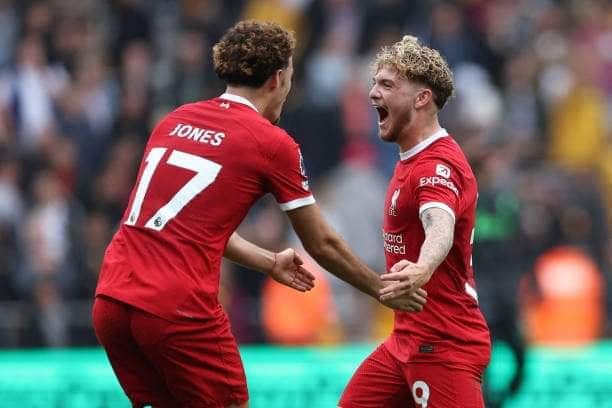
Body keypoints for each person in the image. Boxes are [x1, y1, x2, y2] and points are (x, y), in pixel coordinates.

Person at [92, 20, 427, 408]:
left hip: (113, 300)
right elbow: (321, 242)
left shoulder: (174, 120)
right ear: (278, 78)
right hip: (175, 307)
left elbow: (186, 224)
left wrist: (269, 262)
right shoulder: (269, 142)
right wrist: (380, 289)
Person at [339, 35, 491, 407]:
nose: (372, 93)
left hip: (444, 344)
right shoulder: (411, 156)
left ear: (422, 98)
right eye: (374, 83)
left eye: (387, 85)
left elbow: (440, 223)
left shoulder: (435, 165)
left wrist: (422, 268)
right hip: (406, 339)